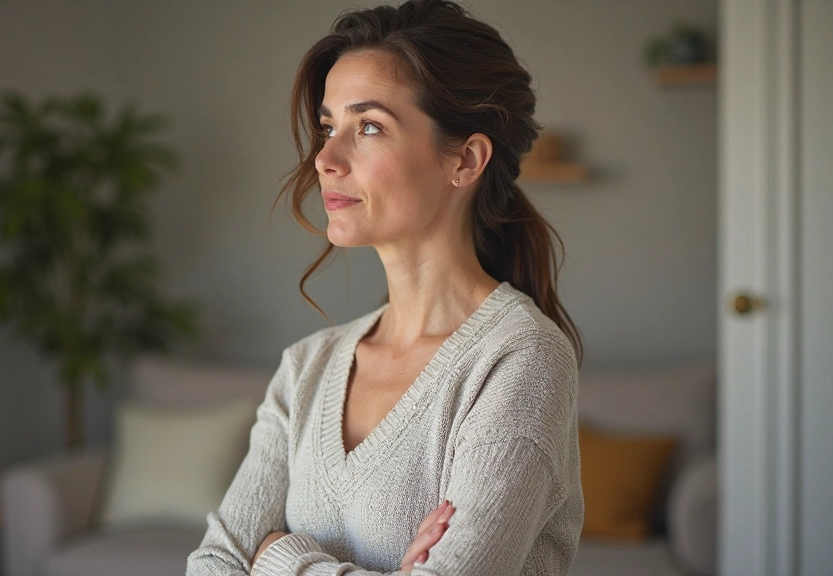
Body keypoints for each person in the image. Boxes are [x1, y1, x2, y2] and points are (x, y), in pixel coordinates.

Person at [187, 0, 583, 574]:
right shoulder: (306, 368)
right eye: (328, 126)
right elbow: (212, 565)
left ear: (466, 159)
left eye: (368, 126)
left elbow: (247, 558)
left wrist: (280, 556)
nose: (325, 157)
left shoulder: (522, 360)